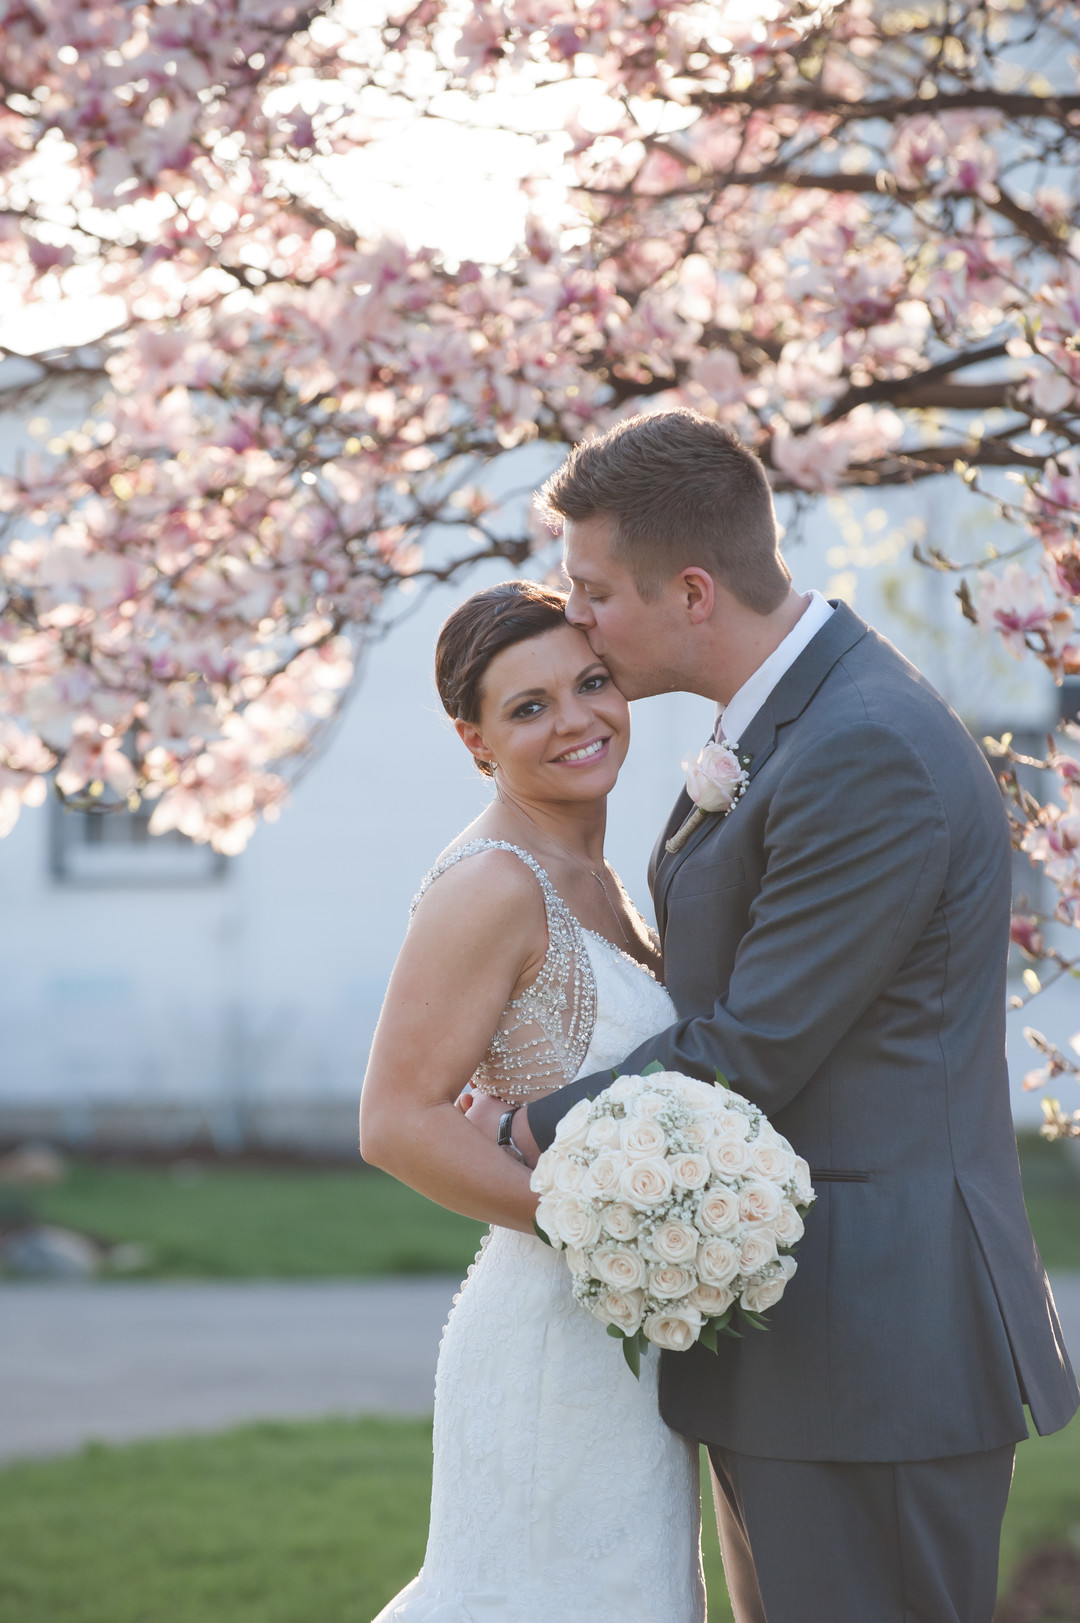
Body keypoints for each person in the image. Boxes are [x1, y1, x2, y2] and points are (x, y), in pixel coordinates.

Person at [464, 408, 1079, 1623]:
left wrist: (531, 1126)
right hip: (804, 1340)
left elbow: (753, 1048)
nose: (572, 614)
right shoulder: (791, 723)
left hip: (879, 1346)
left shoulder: (866, 751)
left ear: (691, 590)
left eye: (593, 592)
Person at [360, 577, 706, 1623]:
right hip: (555, 1343)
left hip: (635, 1339)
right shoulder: (494, 885)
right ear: (476, 742)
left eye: (591, 682)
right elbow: (394, 1121)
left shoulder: (601, 874)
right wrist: (600, 1224)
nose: (578, 720)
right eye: (529, 707)